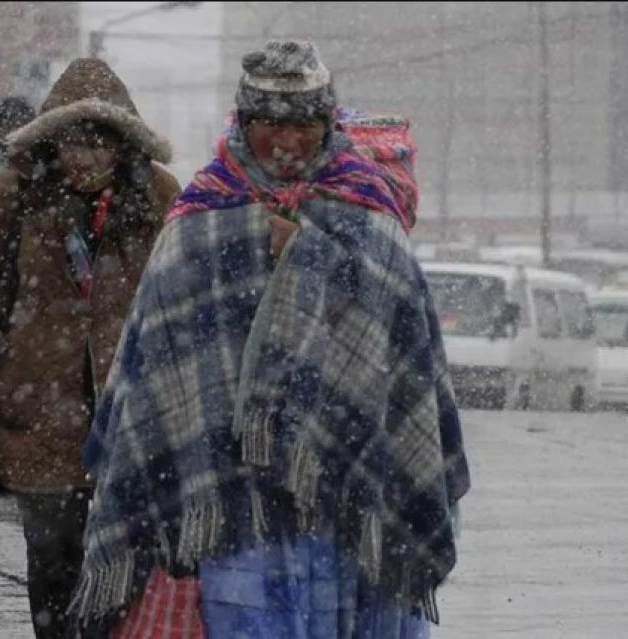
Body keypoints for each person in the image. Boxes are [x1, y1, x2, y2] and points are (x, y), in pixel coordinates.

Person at [72, 41, 470, 638]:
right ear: (244, 122)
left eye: (303, 126)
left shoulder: (366, 207)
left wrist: (306, 253)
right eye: (269, 125)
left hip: (349, 491)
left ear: (327, 124)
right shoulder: (202, 214)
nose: (286, 141)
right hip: (237, 498)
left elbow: (397, 334)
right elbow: (160, 353)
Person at [0, 58, 180, 639]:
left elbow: (185, 285)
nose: (86, 158)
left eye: (100, 144)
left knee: (127, 558)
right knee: (53, 559)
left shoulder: (158, 195)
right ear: (53, 140)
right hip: (40, 408)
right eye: (74, 142)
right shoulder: (15, 193)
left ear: (123, 144)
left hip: (131, 410)